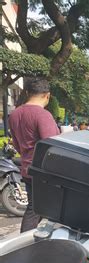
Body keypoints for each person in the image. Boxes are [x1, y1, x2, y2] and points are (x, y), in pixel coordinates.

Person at [9, 78, 60, 232]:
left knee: (37, 208)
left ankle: (33, 241)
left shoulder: (15, 114)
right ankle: (25, 245)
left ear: (27, 93)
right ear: (47, 95)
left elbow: (16, 144)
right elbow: (52, 146)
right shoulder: (43, 115)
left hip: (27, 168)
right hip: (44, 171)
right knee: (37, 210)